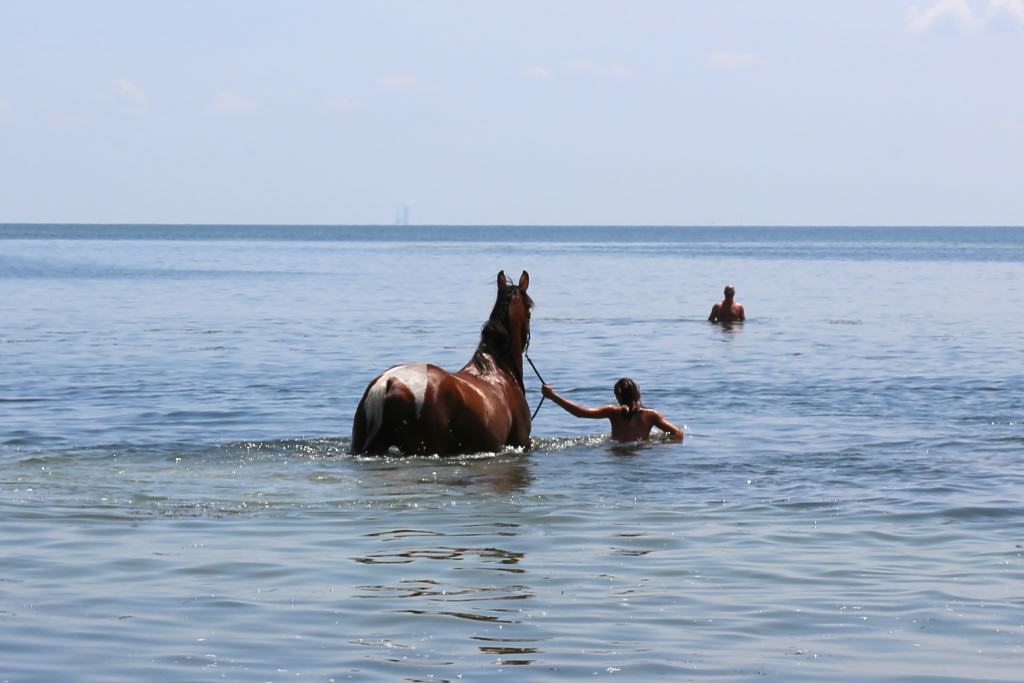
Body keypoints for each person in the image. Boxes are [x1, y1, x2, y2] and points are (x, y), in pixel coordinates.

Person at [541, 378, 684, 443]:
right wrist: (658, 444)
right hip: (642, 454)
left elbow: (580, 412)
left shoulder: (613, 412)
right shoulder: (652, 415)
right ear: (638, 394)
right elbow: (678, 433)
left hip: (617, 453)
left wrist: (553, 396)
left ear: (618, 397)